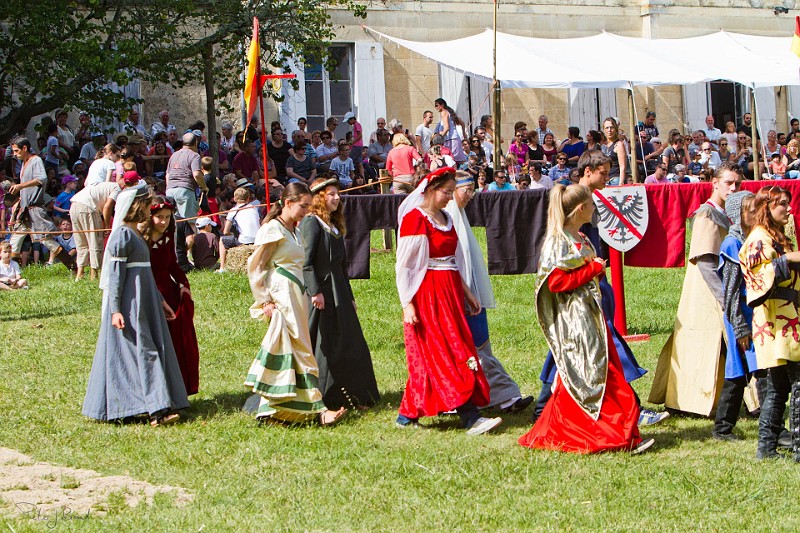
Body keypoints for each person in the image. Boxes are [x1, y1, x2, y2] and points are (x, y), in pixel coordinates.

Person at [519, 184, 650, 454]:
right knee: (594, 374)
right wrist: (592, 269)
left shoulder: (579, 237)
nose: (594, 208)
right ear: (580, 209)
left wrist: (595, 272)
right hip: (575, 319)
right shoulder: (558, 241)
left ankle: (585, 431)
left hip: (593, 316)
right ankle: (610, 436)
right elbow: (555, 282)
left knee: (596, 371)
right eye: (591, 204)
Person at [532, 150, 657, 426]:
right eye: (603, 172)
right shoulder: (561, 236)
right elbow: (556, 280)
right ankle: (629, 411)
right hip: (577, 313)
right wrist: (593, 269)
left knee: (578, 357)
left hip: (590, 306)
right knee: (597, 357)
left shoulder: (578, 231)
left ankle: (548, 408)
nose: (606, 177)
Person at [395, 167, 501, 435]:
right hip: (428, 293)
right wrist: (407, 303)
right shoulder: (415, 219)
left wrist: (467, 292)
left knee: (438, 351)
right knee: (447, 350)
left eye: (453, 192)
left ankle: (407, 415)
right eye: (446, 192)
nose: (450, 198)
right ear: (430, 190)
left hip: (450, 290)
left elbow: (452, 262)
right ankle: (470, 417)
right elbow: (405, 267)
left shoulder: (446, 219)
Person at [82, 186, 189, 426]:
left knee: (138, 353)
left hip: (145, 302)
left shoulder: (136, 235)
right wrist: (115, 309)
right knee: (142, 351)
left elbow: (146, 273)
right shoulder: (122, 235)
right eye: (146, 204)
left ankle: (132, 407)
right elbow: (115, 278)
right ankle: (157, 409)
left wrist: (160, 301)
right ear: (135, 206)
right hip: (131, 304)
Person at [243, 182, 347, 426]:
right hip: (282, 292)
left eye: (309, 206)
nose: (305, 211)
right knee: (298, 347)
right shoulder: (272, 229)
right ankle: (318, 410)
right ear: (287, 202)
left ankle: (278, 410)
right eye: (303, 206)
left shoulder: (294, 231)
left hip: (296, 292)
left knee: (294, 347)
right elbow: (255, 266)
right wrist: (264, 300)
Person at [648, 163, 740, 416]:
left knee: (716, 345)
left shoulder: (720, 213)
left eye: (737, 184)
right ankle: (689, 400)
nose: (733, 188)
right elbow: (706, 262)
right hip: (706, 290)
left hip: (715, 289)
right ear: (715, 183)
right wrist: (725, 298)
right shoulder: (707, 215)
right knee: (700, 344)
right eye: (728, 183)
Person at [446, 172, 533, 413]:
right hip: (459, 297)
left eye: (473, 190)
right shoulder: (448, 219)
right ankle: (499, 396)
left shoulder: (458, 216)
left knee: (478, 349)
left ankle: (501, 397)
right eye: (467, 190)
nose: (471, 196)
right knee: (475, 350)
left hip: (468, 295)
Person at [300, 178, 380, 410]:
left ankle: (356, 394)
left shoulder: (333, 226)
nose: (337, 198)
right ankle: (327, 395)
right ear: (319, 198)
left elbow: (341, 267)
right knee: (326, 343)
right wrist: (315, 291)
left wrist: (350, 296)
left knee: (350, 342)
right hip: (323, 294)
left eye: (337, 194)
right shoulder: (311, 223)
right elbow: (307, 262)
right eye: (331, 194)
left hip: (340, 292)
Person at [740, 186, 800, 460]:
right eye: (782, 205)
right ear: (767, 208)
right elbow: (757, 276)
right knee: (789, 384)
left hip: (788, 319)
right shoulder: (758, 239)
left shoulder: (776, 236)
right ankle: (785, 447)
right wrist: (789, 260)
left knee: (781, 386)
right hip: (776, 321)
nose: (788, 209)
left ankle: (767, 448)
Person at [712, 191, 775, 442]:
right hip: (741, 318)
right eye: (751, 210)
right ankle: (723, 429)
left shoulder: (753, 240)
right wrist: (739, 327)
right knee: (740, 375)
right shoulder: (732, 244)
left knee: (757, 371)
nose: (757, 214)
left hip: (756, 317)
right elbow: (730, 293)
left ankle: (768, 424)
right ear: (738, 215)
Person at [141, 196, 200, 396]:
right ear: (150, 217)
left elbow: (172, 264)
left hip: (169, 290)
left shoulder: (169, 234)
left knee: (180, 340)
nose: (163, 221)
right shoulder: (141, 238)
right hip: (149, 292)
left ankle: (179, 388)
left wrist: (184, 284)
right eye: (159, 217)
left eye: (167, 217)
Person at [8, 138, 74, 270]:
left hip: (35, 210)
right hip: (24, 210)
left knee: (46, 241)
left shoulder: (36, 160)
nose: (14, 154)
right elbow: (26, 189)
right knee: (15, 241)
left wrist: (20, 186)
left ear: (25, 148)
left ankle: (73, 267)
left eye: (16, 150)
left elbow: (42, 179)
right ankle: (11, 271)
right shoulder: (23, 164)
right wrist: (19, 201)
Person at [166, 132, 208, 271]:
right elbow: (196, 174)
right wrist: (204, 186)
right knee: (189, 225)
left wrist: (169, 189)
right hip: (185, 190)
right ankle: (188, 258)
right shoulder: (194, 155)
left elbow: (167, 175)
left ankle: (173, 256)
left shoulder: (174, 154)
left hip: (170, 191)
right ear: (195, 143)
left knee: (173, 225)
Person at [217, 186, 261, 273]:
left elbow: (225, 231)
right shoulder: (254, 208)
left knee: (222, 240)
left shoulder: (233, 211)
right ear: (248, 198)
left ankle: (222, 267)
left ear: (234, 198)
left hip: (244, 240)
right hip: (257, 240)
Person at [434, 98, 466, 164]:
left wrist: (439, 138)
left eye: (437, 105)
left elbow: (446, 127)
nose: (436, 107)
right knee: (458, 161)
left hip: (450, 139)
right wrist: (464, 133)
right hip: (455, 139)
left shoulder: (444, 112)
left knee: (451, 160)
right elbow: (462, 123)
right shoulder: (451, 113)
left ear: (442, 104)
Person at [602, 117, 628, 185]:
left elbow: (622, 166)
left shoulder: (619, 144)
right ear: (604, 130)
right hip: (605, 180)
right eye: (607, 128)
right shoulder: (605, 146)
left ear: (616, 129)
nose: (609, 130)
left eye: (612, 127)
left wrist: (621, 183)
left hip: (615, 179)